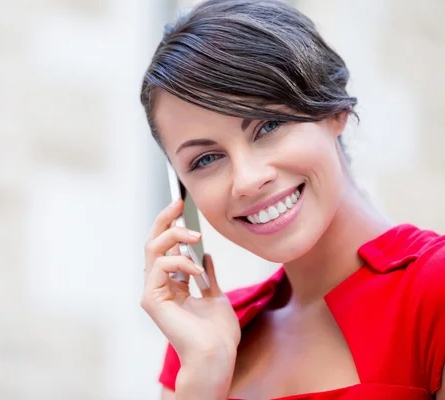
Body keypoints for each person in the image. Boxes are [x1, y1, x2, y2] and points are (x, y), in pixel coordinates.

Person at [138, 0, 445, 399]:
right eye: (206, 159)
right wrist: (204, 377)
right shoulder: (202, 339)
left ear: (335, 110)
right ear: (182, 189)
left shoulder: (432, 292)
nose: (247, 180)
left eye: (269, 125)